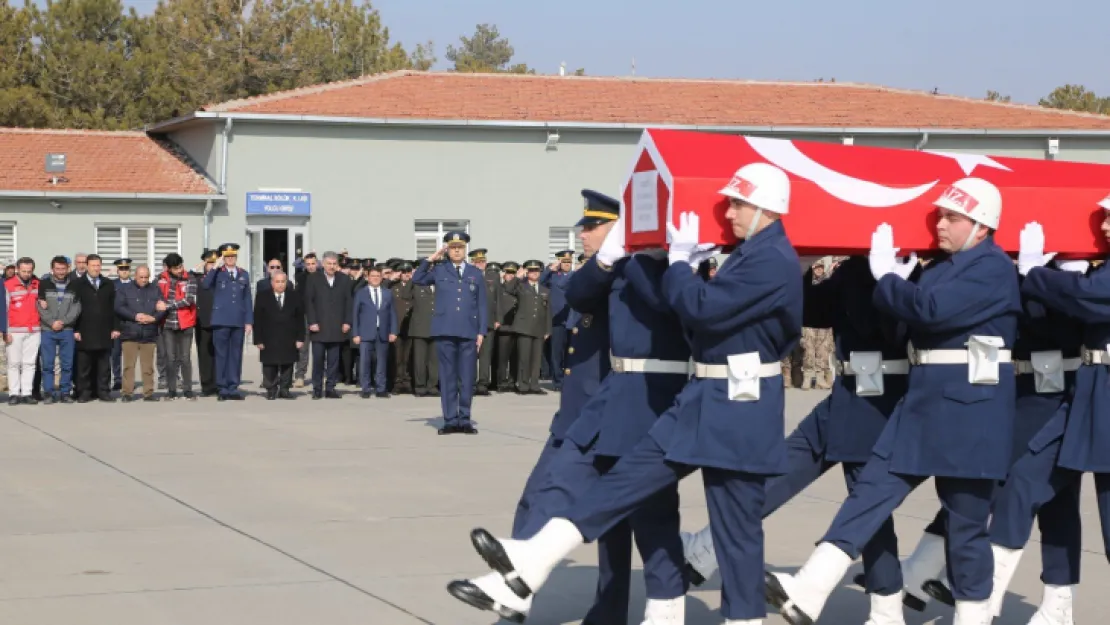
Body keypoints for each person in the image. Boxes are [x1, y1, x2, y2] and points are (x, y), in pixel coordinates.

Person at [464, 163, 803, 625]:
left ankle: (733, 617)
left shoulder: (769, 258)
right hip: (704, 397)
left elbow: (704, 309)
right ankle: (531, 560)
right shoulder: (750, 254)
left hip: (737, 405)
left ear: (766, 207)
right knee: (627, 484)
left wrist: (678, 262)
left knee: (735, 530)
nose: (728, 210)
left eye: (739, 202)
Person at [765, 178, 1022, 625]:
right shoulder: (938, 267)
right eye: (939, 215)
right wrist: (881, 279)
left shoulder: (993, 268)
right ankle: (810, 586)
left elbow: (930, 310)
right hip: (922, 404)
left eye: (952, 217)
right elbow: (904, 322)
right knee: (870, 493)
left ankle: (973, 617)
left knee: (964, 528)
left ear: (981, 226)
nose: (939, 224)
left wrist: (887, 278)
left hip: (970, 411)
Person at [679, 255, 918, 624]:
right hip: (847, 393)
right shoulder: (855, 267)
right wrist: (803, 269)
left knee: (867, 509)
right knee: (784, 467)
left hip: (878, 398)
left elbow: (889, 329)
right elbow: (814, 310)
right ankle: (707, 547)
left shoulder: (904, 267)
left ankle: (887, 611)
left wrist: (884, 273)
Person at [448, 189, 620, 623]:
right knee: (540, 498)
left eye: (592, 226)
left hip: (605, 412)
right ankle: (516, 586)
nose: (583, 233)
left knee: (605, 515)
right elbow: (574, 294)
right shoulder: (596, 271)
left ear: (617, 230)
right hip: (578, 409)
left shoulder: (624, 275)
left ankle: (583, 602)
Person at [962, 211, 1110, 624]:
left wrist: (1038, 273)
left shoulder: (1096, 278)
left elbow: (1090, 297)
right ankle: (982, 603)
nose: (1105, 226)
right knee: (1024, 482)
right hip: (1087, 395)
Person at [412, 231, 488, 435]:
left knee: (467, 376)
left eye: (460, 247)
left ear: (465, 250)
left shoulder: (475, 272)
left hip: (468, 332)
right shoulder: (439, 270)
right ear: (447, 249)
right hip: (445, 330)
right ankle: (450, 420)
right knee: (447, 377)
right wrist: (430, 259)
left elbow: (481, 304)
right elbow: (417, 279)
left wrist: (481, 331)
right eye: (453, 247)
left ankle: (464, 419)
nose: (456, 251)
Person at [202, 243, 253, 401]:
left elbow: (247, 299)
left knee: (236, 355)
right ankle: (222, 387)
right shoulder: (218, 273)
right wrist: (216, 266)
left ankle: (233, 387)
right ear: (223, 258)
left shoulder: (243, 274)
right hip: (221, 320)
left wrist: (249, 321)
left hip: (238, 320)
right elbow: (205, 285)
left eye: (233, 256)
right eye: (227, 256)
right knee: (222, 355)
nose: (230, 259)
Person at [71, 254, 121, 402]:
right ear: (86, 266)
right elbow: (73, 308)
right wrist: (76, 329)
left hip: (104, 330)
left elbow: (114, 308)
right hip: (84, 330)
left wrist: (115, 327)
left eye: (98, 265)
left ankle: (103, 391)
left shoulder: (108, 284)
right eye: (93, 265)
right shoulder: (78, 284)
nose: (96, 268)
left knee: (104, 365)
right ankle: (85, 392)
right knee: (84, 365)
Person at [304, 251, 352, 399]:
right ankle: (317, 388)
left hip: (337, 327)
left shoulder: (344, 279)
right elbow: (308, 302)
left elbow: (349, 302)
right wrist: (312, 322)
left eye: (334, 264)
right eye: (329, 264)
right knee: (318, 360)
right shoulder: (313, 278)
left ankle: (330, 387)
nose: (331, 267)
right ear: (323, 264)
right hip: (319, 327)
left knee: (333, 361)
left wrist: (347, 321)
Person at [115, 265, 165, 402]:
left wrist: (154, 318)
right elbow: (119, 307)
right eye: (141, 277)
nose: (144, 280)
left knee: (148, 366)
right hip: (130, 332)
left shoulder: (155, 289)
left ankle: (148, 393)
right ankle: (127, 393)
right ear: (135, 276)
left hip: (149, 333)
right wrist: (135, 316)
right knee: (128, 366)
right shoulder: (125, 289)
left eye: (146, 277)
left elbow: (162, 307)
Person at [253, 271, 304, 400]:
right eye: (277, 282)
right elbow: (257, 319)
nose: (280, 285)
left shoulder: (294, 296)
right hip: (269, 336)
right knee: (269, 364)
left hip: (289, 336)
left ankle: (285, 389)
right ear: (272, 283)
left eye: (283, 281)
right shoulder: (262, 296)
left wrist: (300, 338)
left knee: (288, 364)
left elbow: (300, 319)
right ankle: (271, 389)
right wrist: (258, 339)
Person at [38, 255, 81, 405]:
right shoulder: (43, 283)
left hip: (67, 329)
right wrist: (51, 322)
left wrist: (63, 322)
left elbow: (77, 308)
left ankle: (65, 392)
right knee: (48, 364)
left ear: (68, 268)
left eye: (63, 269)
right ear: (52, 269)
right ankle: (48, 392)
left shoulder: (75, 284)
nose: (61, 271)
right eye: (58, 269)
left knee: (67, 364)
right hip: (48, 330)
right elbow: (40, 306)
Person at [505, 260, 551, 395]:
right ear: (527, 272)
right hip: (524, 327)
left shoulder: (545, 290)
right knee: (524, 358)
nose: (534, 273)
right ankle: (523, 385)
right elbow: (508, 289)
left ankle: (535, 385)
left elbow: (548, 311)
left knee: (536, 359)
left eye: (537, 270)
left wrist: (548, 329)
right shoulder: (521, 287)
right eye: (531, 270)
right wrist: (518, 277)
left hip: (539, 328)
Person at [352, 264, 398, 398]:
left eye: (378, 276)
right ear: (367, 277)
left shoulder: (388, 293)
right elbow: (355, 314)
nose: (375, 278)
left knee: (381, 362)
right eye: (373, 276)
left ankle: (381, 388)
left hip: (382, 332)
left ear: (382, 278)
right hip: (365, 333)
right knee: (365, 362)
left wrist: (393, 331)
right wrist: (355, 333)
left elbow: (392, 314)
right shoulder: (361, 293)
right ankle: (365, 388)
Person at [157, 253, 198, 401]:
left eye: (180, 266)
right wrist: (161, 305)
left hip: (185, 323)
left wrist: (168, 305)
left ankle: (188, 390)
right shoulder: (160, 278)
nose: (179, 270)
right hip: (167, 324)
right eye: (176, 268)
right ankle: (171, 390)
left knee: (185, 358)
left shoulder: (190, 278)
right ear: (168, 268)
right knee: (170, 359)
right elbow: (157, 297)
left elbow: (189, 300)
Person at [5, 257, 41, 405]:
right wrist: (5, 331)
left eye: (29, 271)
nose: (27, 274)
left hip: (34, 329)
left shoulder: (37, 284)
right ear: (17, 269)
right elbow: (4, 309)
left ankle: (26, 393)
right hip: (14, 330)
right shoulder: (8, 285)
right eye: (24, 271)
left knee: (30, 363)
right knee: (14, 363)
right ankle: (14, 393)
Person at [542, 250, 574, 391]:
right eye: (564, 262)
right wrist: (549, 269)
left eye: (569, 262)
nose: (567, 264)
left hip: (572, 319)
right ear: (560, 262)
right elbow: (540, 281)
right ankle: (558, 381)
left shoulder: (575, 276)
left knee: (571, 352)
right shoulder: (553, 277)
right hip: (557, 319)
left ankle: (570, 380)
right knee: (557, 352)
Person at [472, 249, 499, 396]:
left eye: (482, 261)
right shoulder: (468, 275)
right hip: (471, 322)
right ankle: (469, 383)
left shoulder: (492, 276)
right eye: (477, 262)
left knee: (485, 355)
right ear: (473, 263)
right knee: (470, 354)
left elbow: (498, 298)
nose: (480, 264)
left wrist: (498, 318)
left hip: (488, 321)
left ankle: (482, 384)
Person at [193, 250, 219, 397]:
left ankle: (218, 383)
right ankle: (207, 385)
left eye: (214, 262)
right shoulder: (197, 278)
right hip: (202, 320)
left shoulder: (221, 277)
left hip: (219, 320)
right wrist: (201, 265)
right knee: (204, 354)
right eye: (209, 262)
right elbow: (188, 273)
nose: (212, 265)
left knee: (219, 354)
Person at [390, 262, 415, 395]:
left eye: (408, 272)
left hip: (411, 326)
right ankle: (398, 383)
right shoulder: (393, 287)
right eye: (404, 272)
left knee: (408, 357)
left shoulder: (415, 287)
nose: (406, 275)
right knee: (398, 357)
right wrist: (391, 278)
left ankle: (408, 382)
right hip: (397, 326)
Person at [294, 252, 318, 386]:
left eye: (313, 264)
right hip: (304, 316)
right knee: (303, 348)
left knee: (320, 348)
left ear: (317, 264)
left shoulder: (323, 277)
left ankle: (320, 375)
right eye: (308, 264)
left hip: (320, 316)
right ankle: (300, 375)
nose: (310, 267)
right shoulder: (301, 278)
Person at [109, 258, 132, 391]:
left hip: (130, 324)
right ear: (117, 271)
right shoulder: (112, 285)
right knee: (115, 353)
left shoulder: (134, 284)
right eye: (121, 269)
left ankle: (129, 380)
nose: (124, 271)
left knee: (130, 354)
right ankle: (117, 379)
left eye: (126, 269)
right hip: (116, 323)